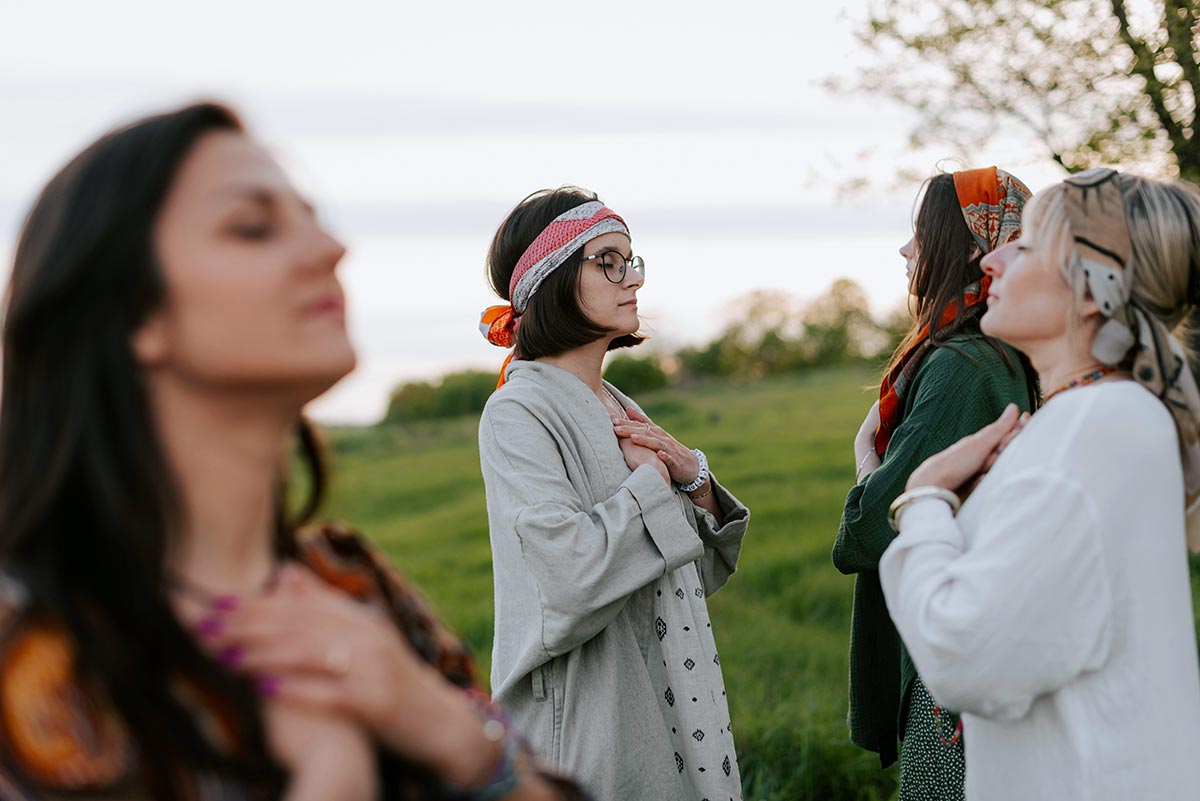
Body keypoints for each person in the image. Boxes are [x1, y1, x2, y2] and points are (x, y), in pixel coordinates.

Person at [0, 102, 583, 801]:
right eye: (253, 226)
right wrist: (333, 778)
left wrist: (451, 736)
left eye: (311, 218)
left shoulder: (354, 585)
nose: (332, 249)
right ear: (134, 315)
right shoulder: (30, 650)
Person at [880, 168, 1200, 801]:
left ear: (1089, 290)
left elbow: (962, 658)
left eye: (1024, 245)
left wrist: (924, 500)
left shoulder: (1089, 432)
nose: (992, 259)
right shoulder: (1106, 417)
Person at [477, 187, 750, 801]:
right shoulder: (517, 412)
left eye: (632, 260)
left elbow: (688, 577)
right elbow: (570, 576)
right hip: (593, 716)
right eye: (608, 261)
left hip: (679, 697)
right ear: (549, 279)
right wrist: (653, 481)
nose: (632, 279)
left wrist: (695, 480)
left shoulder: (621, 406)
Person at [832, 167, 1037, 799]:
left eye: (920, 235)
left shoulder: (960, 366)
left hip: (950, 665)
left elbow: (868, 533)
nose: (906, 251)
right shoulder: (1008, 354)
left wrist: (868, 453)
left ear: (974, 248)